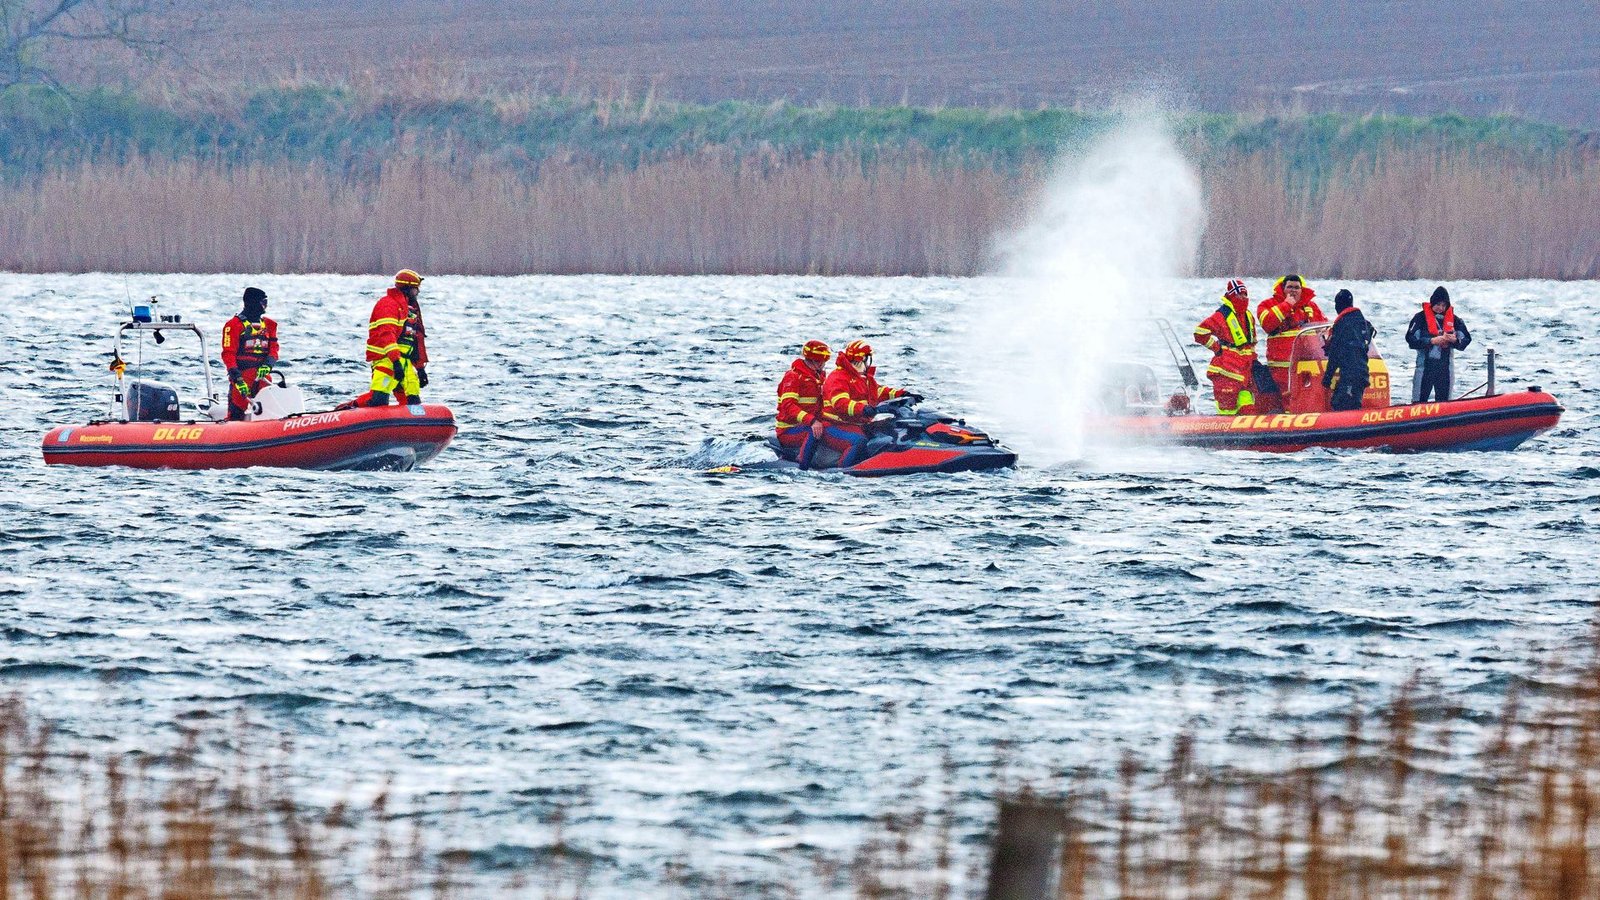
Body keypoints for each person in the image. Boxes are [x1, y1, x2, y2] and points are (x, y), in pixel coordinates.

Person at [819, 340, 916, 468]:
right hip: (835, 425)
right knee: (859, 442)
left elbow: (879, 392)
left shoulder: (863, 378)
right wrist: (864, 409)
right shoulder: (838, 377)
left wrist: (903, 395)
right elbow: (840, 403)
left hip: (856, 424)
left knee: (887, 430)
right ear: (862, 359)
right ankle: (843, 471)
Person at [358, 269, 430, 407]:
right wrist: (395, 362)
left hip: (406, 363)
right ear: (407, 289)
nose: (418, 293)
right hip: (386, 360)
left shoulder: (411, 310)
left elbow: (417, 341)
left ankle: (408, 425)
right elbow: (387, 334)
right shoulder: (388, 305)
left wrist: (420, 368)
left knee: (413, 401)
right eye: (415, 290)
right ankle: (349, 409)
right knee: (378, 400)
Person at [1192, 279, 1261, 416]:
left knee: (1249, 408)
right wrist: (1217, 348)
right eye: (1239, 295)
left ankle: (1247, 435)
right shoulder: (1221, 315)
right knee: (1227, 412)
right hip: (1226, 372)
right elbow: (1200, 333)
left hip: (1245, 371)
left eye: (1245, 294)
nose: (1243, 298)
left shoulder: (1248, 316)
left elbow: (1250, 344)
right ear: (1231, 295)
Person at [1256, 274, 1326, 395]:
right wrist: (1287, 304)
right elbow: (1267, 324)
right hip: (1282, 368)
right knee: (1288, 398)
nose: (1293, 290)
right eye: (1289, 287)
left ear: (1301, 289)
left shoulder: (1311, 307)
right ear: (1283, 289)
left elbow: (1324, 329)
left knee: (1309, 397)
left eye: (1296, 287)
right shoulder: (1267, 305)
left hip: (1308, 365)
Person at [220, 286, 279, 421]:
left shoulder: (270, 325)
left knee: (271, 412)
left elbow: (274, 349)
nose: (265, 306)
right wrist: (237, 379)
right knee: (236, 414)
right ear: (253, 302)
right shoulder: (233, 325)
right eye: (262, 302)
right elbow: (228, 354)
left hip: (263, 377)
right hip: (243, 377)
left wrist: (267, 365)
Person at [1405, 285, 1471, 402]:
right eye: (1437, 305)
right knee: (1418, 401)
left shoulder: (1455, 320)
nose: (1440, 308)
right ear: (1432, 304)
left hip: (1445, 369)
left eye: (1443, 305)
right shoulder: (1419, 318)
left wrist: (1454, 341)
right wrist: (1431, 341)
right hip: (1425, 368)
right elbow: (1410, 339)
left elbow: (1466, 340)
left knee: (1445, 402)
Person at [775, 340, 831, 468]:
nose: (825, 364)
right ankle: (803, 467)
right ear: (818, 360)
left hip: (807, 424)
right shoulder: (793, 376)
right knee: (815, 431)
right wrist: (812, 421)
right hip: (788, 429)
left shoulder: (819, 377)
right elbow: (788, 406)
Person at [1321, 289, 1373, 412]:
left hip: (1351, 375)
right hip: (1361, 372)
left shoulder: (1343, 324)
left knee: (1341, 404)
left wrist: (1327, 378)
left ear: (1337, 305)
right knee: (1342, 402)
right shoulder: (1362, 322)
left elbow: (1335, 353)